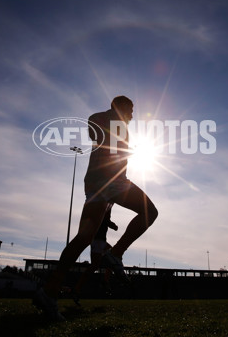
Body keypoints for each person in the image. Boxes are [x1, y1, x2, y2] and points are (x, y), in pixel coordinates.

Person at [33, 95, 159, 321]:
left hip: (105, 182)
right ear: (117, 106)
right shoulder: (102, 117)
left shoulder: (124, 128)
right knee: (150, 212)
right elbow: (95, 132)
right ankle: (116, 254)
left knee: (83, 238)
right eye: (130, 109)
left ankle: (49, 291)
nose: (132, 114)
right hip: (107, 182)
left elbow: (118, 150)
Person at [71, 203, 117, 305]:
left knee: (113, 257)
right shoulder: (105, 203)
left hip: (101, 239)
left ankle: (105, 281)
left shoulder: (108, 205)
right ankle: (77, 289)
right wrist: (111, 224)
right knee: (96, 265)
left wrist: (110, 224)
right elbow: (100, 219)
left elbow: (104, 220)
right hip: (97, 239)